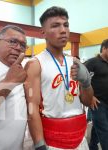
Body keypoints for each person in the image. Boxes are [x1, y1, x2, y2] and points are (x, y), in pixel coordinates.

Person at [24, 6, 93, 150]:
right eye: (55, 26)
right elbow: (32, 109)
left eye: (66, 25)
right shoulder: (35, 64)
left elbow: (87, 101)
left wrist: (86, 83)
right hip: (52, 141)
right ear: (43, 32)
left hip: (79, 138)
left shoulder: (75, 62)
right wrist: (39, 144)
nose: (63, 30)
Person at [85, 39, 108, 150]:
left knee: (98, 128)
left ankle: (92, 147)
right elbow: (82, 80)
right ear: (104, 48)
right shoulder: (92, 62)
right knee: (104, 130)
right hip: (98, 103)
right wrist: (91, 96)